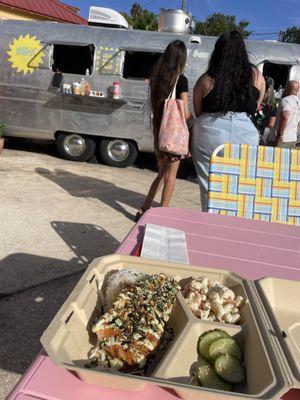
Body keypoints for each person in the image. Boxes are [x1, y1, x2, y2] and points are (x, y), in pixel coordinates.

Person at [191, 30, 265, 211]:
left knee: (209, 187)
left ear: (217, 51)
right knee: (241, 188)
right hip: (245, 132)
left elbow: (198, 110)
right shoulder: (256, 76)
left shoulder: (207, 79)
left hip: (210, 129)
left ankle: (211, 226)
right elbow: (256, 107)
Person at [135, 40, 191, 221]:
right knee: (170, 178)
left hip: (159, 133)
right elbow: (185, 113)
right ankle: (162, 214)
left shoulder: (157, 78)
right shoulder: (181, 80)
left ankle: (144, 209)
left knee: (161, 174)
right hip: (173, 137)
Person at [274, 80, 300, 149]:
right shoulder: (299, 102)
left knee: (275, 158)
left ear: (286, 89)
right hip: (293, 137)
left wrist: (281, 135)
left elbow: (285, 117)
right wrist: (294, 131)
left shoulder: (286, 100)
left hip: (283, 138)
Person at [254, 76, 277, 145]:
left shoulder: (255, 97)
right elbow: (271, 124)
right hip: (262, 132)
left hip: (251, 128)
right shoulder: (272, 104)